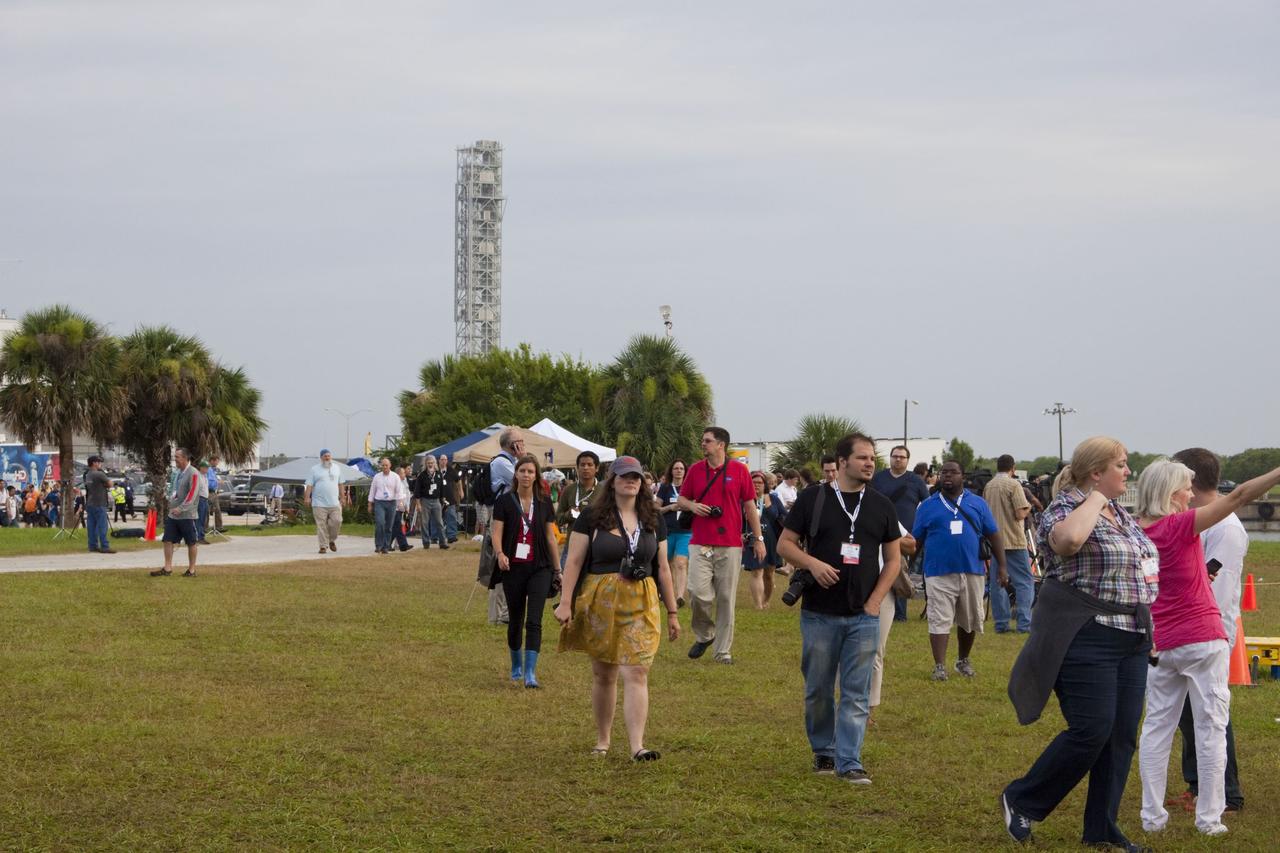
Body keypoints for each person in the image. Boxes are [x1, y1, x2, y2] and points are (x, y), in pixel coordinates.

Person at [1002, 437, 1156, 848]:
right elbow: (1068, 542)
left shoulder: (1119, 513)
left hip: (1132, 638)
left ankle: (1101, 828)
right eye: (1121, 465)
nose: (1128, 472)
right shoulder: (1065, 508)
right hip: (1086, 635)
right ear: (1096, 472)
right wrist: (1095, 498)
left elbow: (1140, 566)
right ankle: (1021, 799)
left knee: (1121, 735)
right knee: (1092, 730)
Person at [1135, 457, 1280, 836]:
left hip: (1160, 643)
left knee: (1156, 727)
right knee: (1211, 727)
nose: (1190, 494)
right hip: (1201, 637)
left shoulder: (1136, 532)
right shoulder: (1181, 525)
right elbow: (1243, 495)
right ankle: (1209, 818)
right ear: (1170, 493)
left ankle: (1151, 817)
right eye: (1185, 488)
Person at [776, 433, 902, 783]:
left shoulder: (881, 505)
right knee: (817, 689)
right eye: (862, 458)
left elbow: (893, 561)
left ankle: (850, 761)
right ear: (842, 462)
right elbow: (785, 544)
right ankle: (823, 752)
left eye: (872, 459)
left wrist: (876, 601)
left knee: (856, 691)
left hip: (863, 616)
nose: (869, 463)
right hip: (818, 613)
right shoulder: (813, 498)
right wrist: (812, 564)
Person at [554, 456, 681, 759]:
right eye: (625, 476)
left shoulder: (653, 518)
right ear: (612, 480)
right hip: (602, 599)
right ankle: (603, 739)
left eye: (636, 477)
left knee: (637, 670)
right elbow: (573, 560)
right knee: (604, 673)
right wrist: (565, 601)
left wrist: (673, 611)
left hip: (642, 598)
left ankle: (638, 746)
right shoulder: (592, 516)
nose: (631, 481)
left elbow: (663, 568)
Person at [1169, 448, 1247, 815]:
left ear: (1191, 480)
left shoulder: (1226, 528)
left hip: (1208, 632)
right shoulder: (1197, 519)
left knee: (1211, 715)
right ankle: (1198, 785)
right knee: (1188, 713)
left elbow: (1214, 584)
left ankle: (1227, 794)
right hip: (1187, 631)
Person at [677, 427, 766, 665]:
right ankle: (705, 635)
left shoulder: (739, 470)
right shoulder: (696, 470)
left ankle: (722, 651)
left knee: (726, 598)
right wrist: (693, 506)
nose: (703, 444)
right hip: (700, 542)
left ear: (721, 445)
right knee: (697, 593)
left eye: (707, 441)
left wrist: (758, 539)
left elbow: (750, 507)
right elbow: (682, 499)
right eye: (703, 440)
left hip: (730, 544)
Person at [912, 461, 1005, 680]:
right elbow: (916, 540)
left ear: (962, 476)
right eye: (944, 472)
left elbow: (994, 535)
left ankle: (963, 660)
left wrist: (1002, 566)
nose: (947, 476)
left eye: (953, 472)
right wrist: (905, 568)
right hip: (938, 570)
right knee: (939, 617)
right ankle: (939, 666)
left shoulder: (977, 503)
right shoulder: (927, 505)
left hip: (972, 569)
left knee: (970, 617)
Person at [490, 454, 562, 688]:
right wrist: (500, 553)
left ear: (536, 475)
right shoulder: (504, 501)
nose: (526, 475)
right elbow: (496, 532)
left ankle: (531, 673)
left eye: (531, 472)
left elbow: (550, 536)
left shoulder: (543, 502)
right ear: (516, 474)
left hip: (540, 566)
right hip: (513, 567)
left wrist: (557, 568)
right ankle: (516, 666)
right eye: (522, 471)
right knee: (515, 619)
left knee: (534, 620)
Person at [871, 445, 930, 621]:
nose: (898, 459)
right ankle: (879, 606)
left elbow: (926, 505)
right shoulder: (878, 478)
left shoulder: (916, 481)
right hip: (879, 533)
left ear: (907, 460)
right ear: (890, 458)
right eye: (895, 456)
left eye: (902, 457)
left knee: (901, 571)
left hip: (906, 536)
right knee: (881, 569)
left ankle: (900, 613)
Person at [983, 454, 1034, 634]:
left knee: (998, 583)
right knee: (1024, 582)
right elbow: (1020, 513)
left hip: (994, 541)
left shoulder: (989, 486)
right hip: (1014, 540)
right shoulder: (1014, 484)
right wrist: (1029, 506)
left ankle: (1001, 624)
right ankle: (1024, 624)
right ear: (1013, 468)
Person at [480, 427, 524, 624]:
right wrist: (523, 458)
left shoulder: (511, 462)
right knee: (501, 562)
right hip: (501, 517)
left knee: (511, 563)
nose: (523, 445)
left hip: (510, 516)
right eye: (519, 442)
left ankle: (502, 614)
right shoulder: (501, 462)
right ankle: (497, 615)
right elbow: (523, 481)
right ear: (511, 444)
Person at [152, 448, 201, 577]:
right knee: (167, 540)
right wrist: (171, 501)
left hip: (187, 515)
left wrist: (181, 508)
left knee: (191, 542)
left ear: (185, 458)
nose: (175, 460)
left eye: (177, 457)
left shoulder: (194, 473)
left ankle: (191, 570)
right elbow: (175, 490)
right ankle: (167, 568)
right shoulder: (178, 473)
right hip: (173, 515)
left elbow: (192, 493)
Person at [741, 471, 783, 609]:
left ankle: (766, 600)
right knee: (757, 570)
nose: (756, 485)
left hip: (771, 539)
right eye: (753, 482)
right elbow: (737, 519)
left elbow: (785, 516)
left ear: (765, 484)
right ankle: (758, 604)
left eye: (759, 482)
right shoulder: (744, 500)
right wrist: (740, 533)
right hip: (753, 538)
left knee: (769, 573)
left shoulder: (774, 499)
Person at [556, 451, 600, 568]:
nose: (586, 468)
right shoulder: (568, 490)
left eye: (590, 465)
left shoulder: (604, 491)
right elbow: (558, 519)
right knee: (566, 583)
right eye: (582, 464)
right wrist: (569, 514)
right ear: (577, 467)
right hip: (572, 545)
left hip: (597, 546)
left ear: (597, 468)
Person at [655, 459, 689, 607]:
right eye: (676, 468)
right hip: (667, 531)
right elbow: (656, 509)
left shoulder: (689, 487)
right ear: (671, 471)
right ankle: (666, 592)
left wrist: (686, 506)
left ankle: (680, 596)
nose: (679, 471)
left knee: (681, 563)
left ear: (685, 471)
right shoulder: (665, 487)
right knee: (665, 564)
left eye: (681, 468)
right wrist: (670, 508)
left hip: (686, 532)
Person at [304, 449, 344, 554]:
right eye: (325, 456)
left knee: (337, 521)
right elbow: (309, 485)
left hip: (334, 503)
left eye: (329, 456)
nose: (327, 458)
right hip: (319, 503)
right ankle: (323, 546)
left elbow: (341, 484)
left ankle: (331, 540)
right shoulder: (314, 469)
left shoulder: (337, 468)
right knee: (321, 525)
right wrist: (307, 498)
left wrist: (343, 497)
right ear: (321, 457)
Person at [415, 455, 449, 549]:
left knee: (439, 522)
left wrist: (443, 499)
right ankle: (426, 543)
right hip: (425, 501)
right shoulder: (422, 475)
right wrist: (418, 504)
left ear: (435, 463)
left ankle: (442, 542)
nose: (430, 464)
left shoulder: (438, 474)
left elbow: (442, 488)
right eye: (428, 463)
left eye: (432, 463)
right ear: (426, 464)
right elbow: (417, 491)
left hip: (436, 501)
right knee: (425, 523)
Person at [82, 455, 115, 553]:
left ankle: (92, 546)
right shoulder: (99, 474)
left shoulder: (88, 475)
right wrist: (105, 484)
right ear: (94, 463)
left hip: (90, 502)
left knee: (91, 526)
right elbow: (110, 484)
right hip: (99, 503)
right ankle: (105, 546)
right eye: (99, 462)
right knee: (102, 526)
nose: (100, 464)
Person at [368, 457, 400, 555]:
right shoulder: (377, 477)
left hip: (391, 502)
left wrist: (400, 502)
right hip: (379, 502)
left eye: (386, 465)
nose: (385, 467)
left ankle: (386, 546)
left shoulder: (395, 477)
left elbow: (399, 490)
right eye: (383, 465)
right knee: (380, 523)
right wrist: (370, 504)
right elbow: (372, 491)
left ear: (390, 466)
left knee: (389, 526)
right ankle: (379, 545)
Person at [439, 454, 460, 543]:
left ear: (447, 461)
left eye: (445, 459)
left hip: (449, 498)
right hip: (438, 498)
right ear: (439, 461)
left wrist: (461, 491)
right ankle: (436, 536)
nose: (443, 461)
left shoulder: (451, 470)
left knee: (451, 516)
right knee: (437, 518)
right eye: (442, 459)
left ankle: (451, 536)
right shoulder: (436, 471)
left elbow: (458, 480)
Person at [195, 460, 211, 544]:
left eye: (207, 468)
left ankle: (201, 536)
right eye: (205, 467)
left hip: (205, 499)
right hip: (200, 499)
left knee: (204, 518)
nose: (207, 469)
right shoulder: (198, 475)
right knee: (199, 519)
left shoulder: (205, 476)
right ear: (201, 467)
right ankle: (199, 537)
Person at [206, 456, 223, 533]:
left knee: (217, 510)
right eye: (216, 461)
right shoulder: (208, 470)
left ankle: (219, 528)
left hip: (214, 492)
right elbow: (208, 482)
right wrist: (217, 482)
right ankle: (204, 528)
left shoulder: (213, 471)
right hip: (209, 492)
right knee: (207, 510)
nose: (217, 463)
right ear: (212, 461)